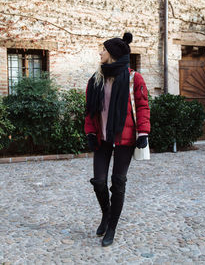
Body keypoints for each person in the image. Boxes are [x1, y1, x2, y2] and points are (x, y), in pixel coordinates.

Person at [84, 32, 151, 247]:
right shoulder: (96, 79)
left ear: (112, 54)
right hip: (103, 138)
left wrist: (143, 134)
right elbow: (90, 111)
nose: (100, 52)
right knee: (99, 182)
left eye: (103, 49)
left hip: (125, 138)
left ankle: (111, 227)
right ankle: (106, 214)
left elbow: (142, 106)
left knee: (118, 183)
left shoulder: (134, 78)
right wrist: (90, 132)